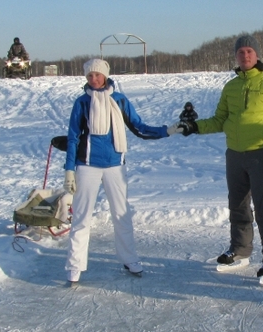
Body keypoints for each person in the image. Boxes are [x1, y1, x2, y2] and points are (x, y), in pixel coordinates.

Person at [176, 35, 263, 286]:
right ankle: (240, 250)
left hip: (262, 152)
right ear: (236, 56)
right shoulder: (231, 87)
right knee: (238, 204)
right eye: (241, 52)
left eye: (250, 51)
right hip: (234, 154)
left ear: (257, 55)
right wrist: (194, 126)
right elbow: (220, 120)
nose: (245, 56)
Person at [63, 58, 179, 284]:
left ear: (105, 75)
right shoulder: (82, 103)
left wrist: (169, 130)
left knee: (122, 215)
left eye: (97, 75)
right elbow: (73, 137)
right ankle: (75, 266)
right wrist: (69, 169)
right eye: (89, 76)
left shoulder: (119, 100)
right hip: (87, 166)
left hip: (116, 165)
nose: (94, 79)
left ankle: (129, 258)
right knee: (81, 217)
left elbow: (140, 127)